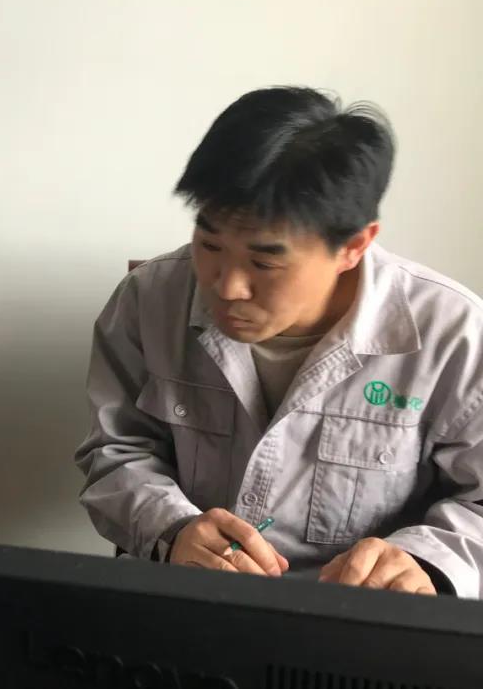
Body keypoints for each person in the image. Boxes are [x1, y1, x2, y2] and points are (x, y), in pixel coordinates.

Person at [76, 87, 483, 598]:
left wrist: (425, 562)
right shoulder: (149, 300)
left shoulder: (453, 334)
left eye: (265, 262)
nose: (227, 287)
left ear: (353, 246)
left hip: (355, 616)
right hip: (190, 597)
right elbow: (114, 449)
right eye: (210, 244)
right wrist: (173, 528)